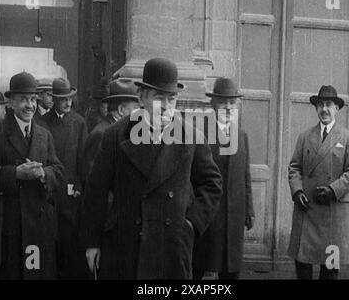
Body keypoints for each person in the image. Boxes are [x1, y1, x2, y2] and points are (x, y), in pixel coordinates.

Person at [80, 58, 223, 279]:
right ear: (142, 97)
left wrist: (191, 224)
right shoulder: (116, 135)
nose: (166, 106)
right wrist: (93, 242)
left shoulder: (191, 138)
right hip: (125, 246)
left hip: (172, 248)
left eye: (172, 99)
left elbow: (212, 184)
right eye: (159, 98)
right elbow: (95, 192)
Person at [288, 85, 349, 280]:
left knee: (330, 271)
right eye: (320, 105)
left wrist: (333, 190)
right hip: (307, 210)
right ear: (316, 108)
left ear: (336, 108)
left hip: (333, 212)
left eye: (328, 105)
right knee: (303, 266)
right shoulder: (305, 137)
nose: (324, 109)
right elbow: (294, 168)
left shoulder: (348, 138)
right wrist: (297, 192)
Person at [0, 72, 64, 279]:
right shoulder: (1, 133)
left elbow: (59, 171)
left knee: (38, 274)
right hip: (11, 224)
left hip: (40, 224)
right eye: (23, 99)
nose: (30, 105)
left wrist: (43, 173)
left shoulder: (44, 135)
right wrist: (16, 173)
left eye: (33, 99)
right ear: (11, 102)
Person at [192, 77, 254, 280]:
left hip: (234, 215)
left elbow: (245, 175)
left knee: (231, 268)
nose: (228, 108)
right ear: (213, 104)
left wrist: (249, 211)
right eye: (222, 102)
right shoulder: (199, 133)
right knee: (201, 265)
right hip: (208, 215)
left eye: (232, 103)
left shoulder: (242, 135)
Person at [81, 78, 140, 279]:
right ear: (122, 109)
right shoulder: (103, 134)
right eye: (136, 108)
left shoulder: (122, 132)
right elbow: (95, 189)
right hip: (110, 227)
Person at [43, 78, 88, 279]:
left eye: (70, 99)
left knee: (69, 235)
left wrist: (79, 182)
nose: (68, 103)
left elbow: (83, 157)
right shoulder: (43, 123)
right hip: (51, 188)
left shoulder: (78, 122)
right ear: (53, 99)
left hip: (70, 188)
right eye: (63, 100)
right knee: (51, 234)